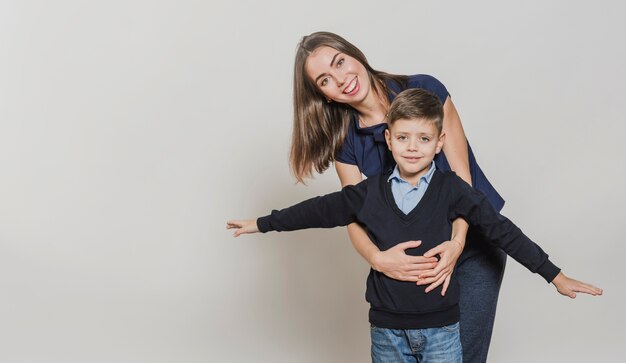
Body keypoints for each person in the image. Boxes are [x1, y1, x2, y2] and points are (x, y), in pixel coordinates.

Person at [227, 88, 602, 363]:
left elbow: (502, 230)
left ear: (439, 143)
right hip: (386, 334)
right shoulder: (367, 193)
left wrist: (554, 275)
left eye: (423, 139)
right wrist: (262, 224)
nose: (412, 147)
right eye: (403, 137)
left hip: (442, 332)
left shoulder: (453, 190)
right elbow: (315, 212)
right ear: (388, 140)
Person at [289, 31, 506, 362]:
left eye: (340, 62)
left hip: (474, 242)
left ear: (355, 54)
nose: (341, 79)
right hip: (417, 260)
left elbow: (464, 178)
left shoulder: (424, 89)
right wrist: (377, 258)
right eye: (325, 80)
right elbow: (352, 215)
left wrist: (457, 243)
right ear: (324, 96)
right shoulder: (345, 142)